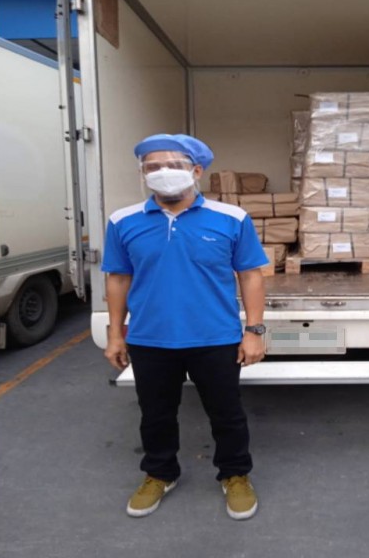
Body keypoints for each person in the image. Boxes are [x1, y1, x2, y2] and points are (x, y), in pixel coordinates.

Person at [101, 133, 269, 520]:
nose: (162, 172)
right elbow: (118, 278)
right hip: (150, 339)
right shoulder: (123, 221)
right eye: (152, 166)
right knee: (155, 414)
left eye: (173, 165)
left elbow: (250, 275)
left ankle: (235, 474)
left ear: (196, 171)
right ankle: (160, 473)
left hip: (215, 337)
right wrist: (115, 334)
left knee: (227, 413)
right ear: (142, 174)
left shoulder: (231, 218)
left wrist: (254, 331)